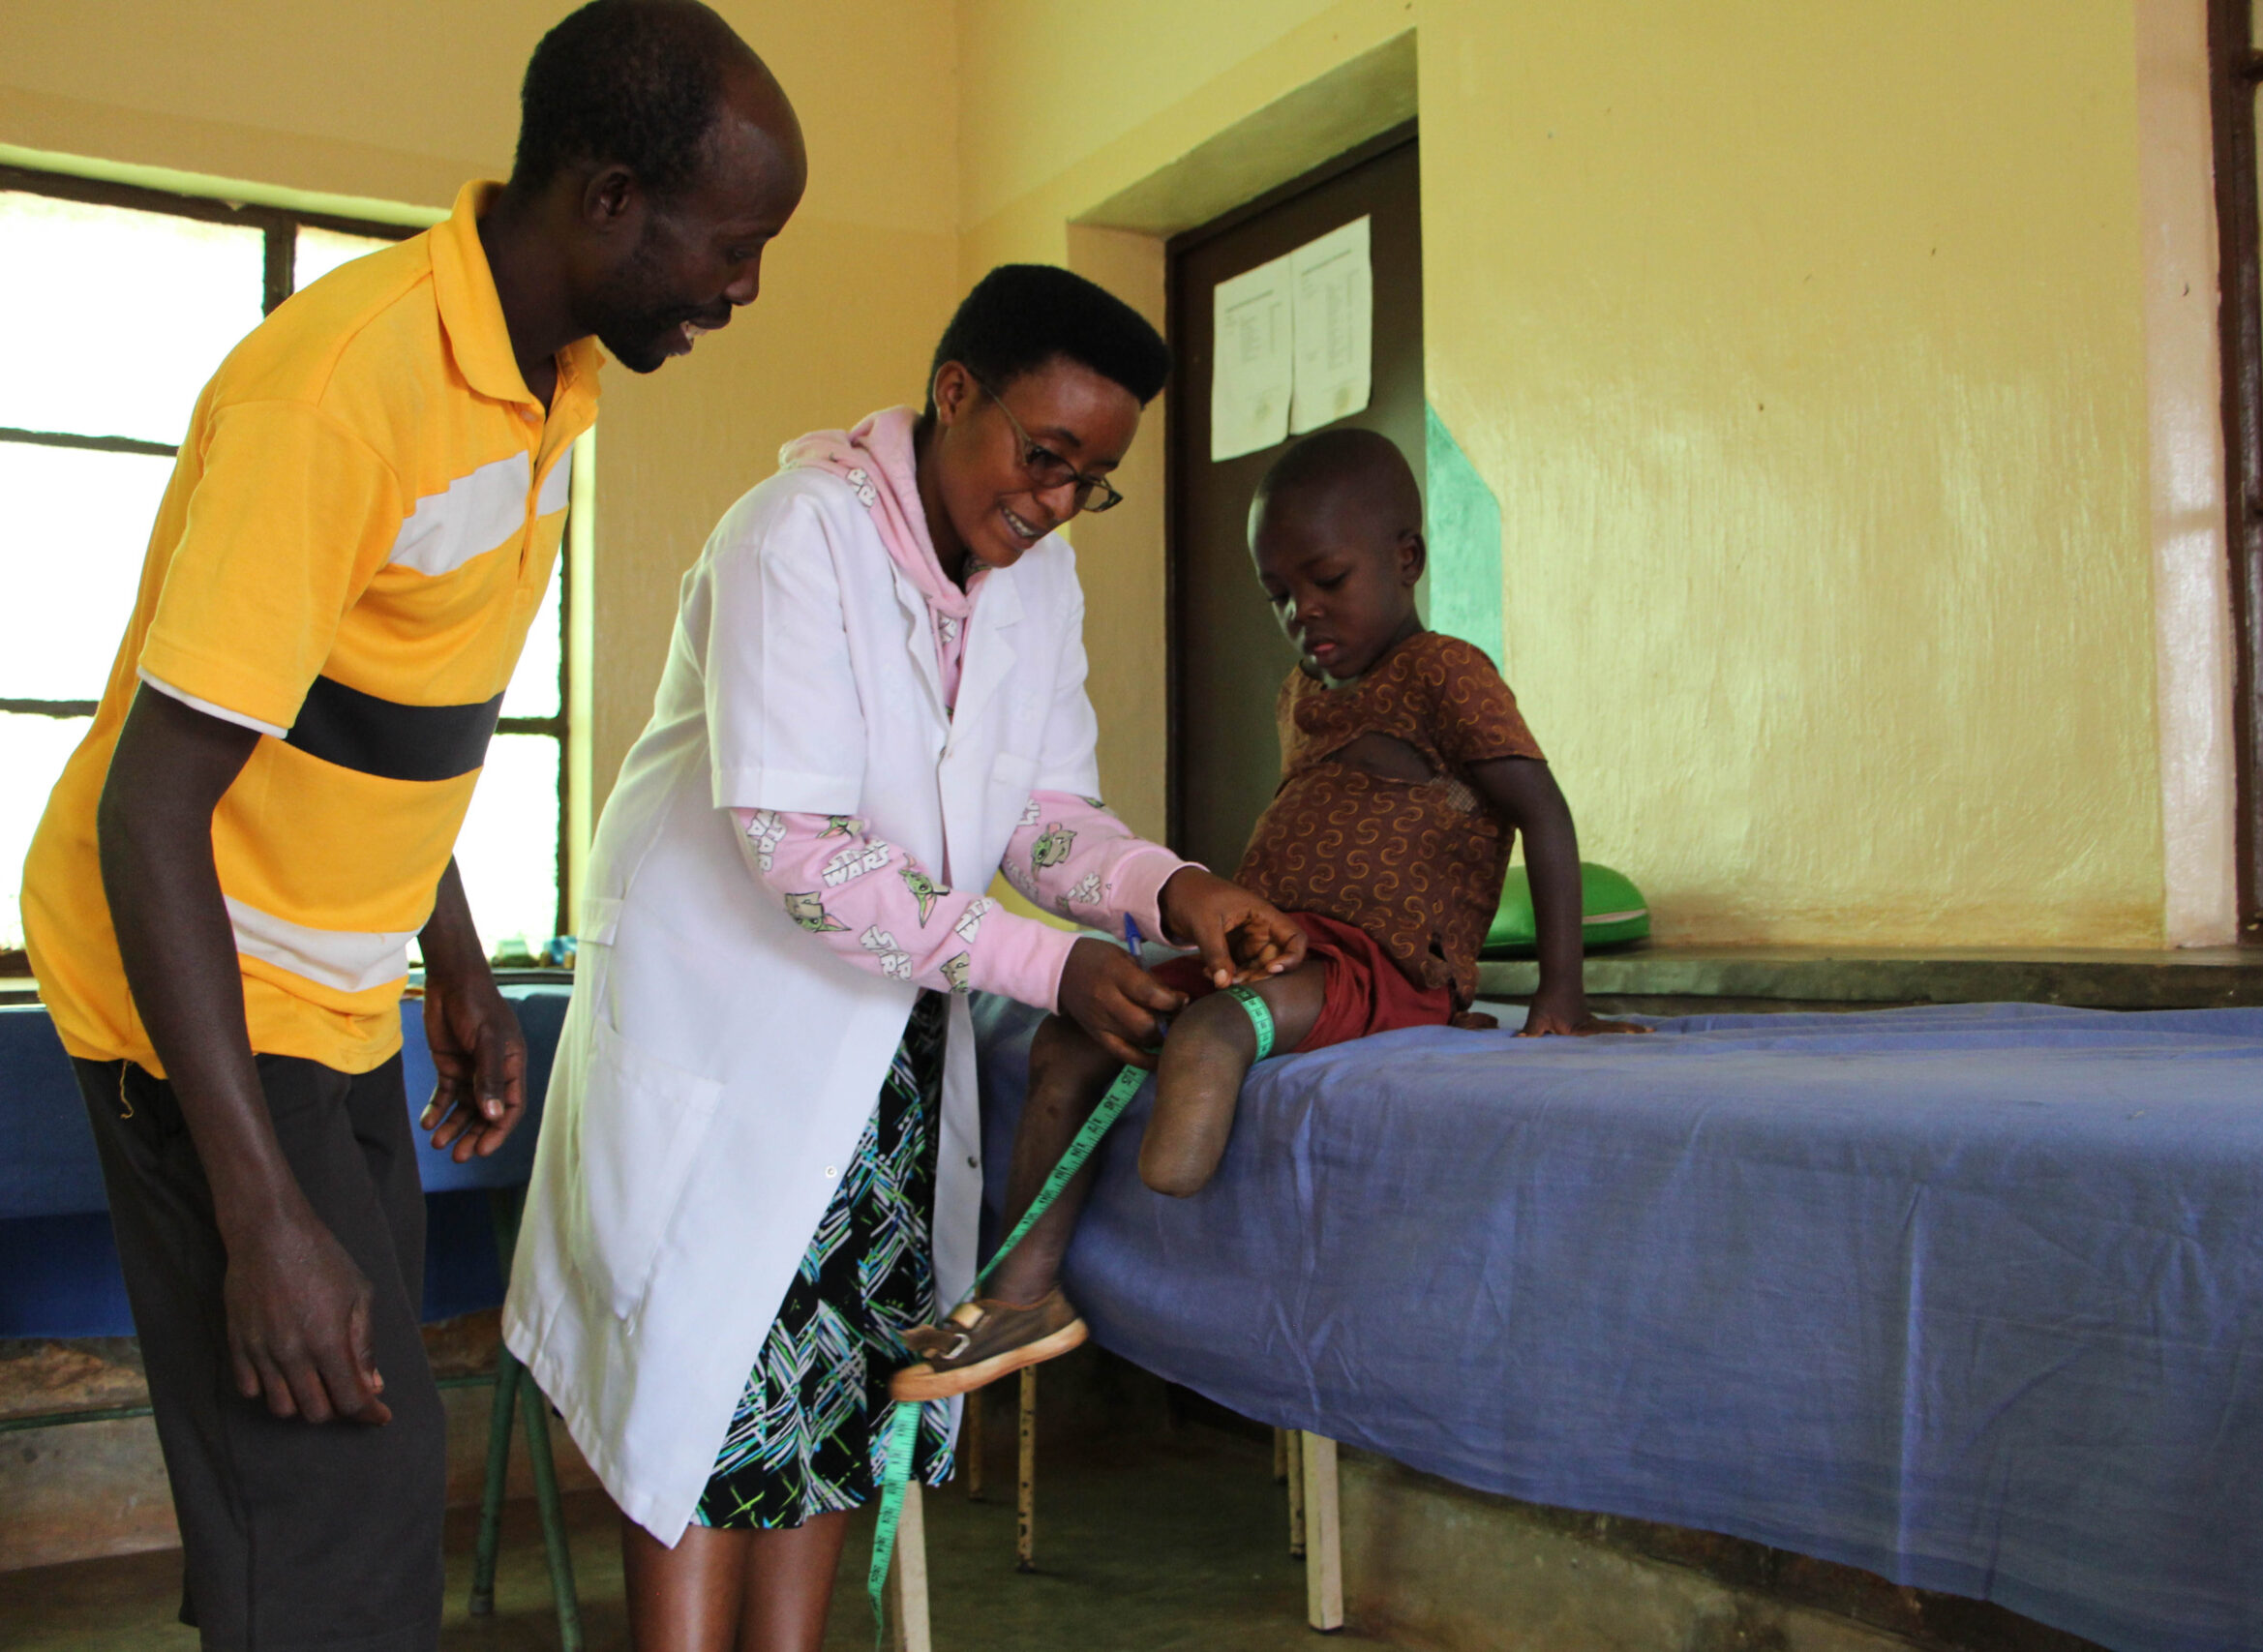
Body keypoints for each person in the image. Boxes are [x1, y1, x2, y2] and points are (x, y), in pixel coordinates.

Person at [15, 4, 804, 1645]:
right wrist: (256, 1208)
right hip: (200, 981)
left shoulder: (550, 384)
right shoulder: (340, 395)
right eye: (730, 247)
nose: (742, 289)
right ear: (606, 200)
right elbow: (155, 803)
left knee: (353, 1478)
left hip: (335, 982)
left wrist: (446, 951)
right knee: (327, 1504)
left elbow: (373, 703)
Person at [501, 261, 1303, 1649]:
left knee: (835, 1394)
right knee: (700, 1408)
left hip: (878, 1054)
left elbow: (1044, 816)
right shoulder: (792, 537)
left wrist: (1172, 889)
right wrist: (1051, 968)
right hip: (726, 1034)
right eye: (1042, 456)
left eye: (1089, 479)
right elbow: (795, 840)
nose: (1055, 502)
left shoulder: (1035, 590)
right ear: (953, 395)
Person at [894, 425, 1644, 1401]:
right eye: (1280, 595)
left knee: (1210, 1033)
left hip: (1383, 969)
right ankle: (1021, 1294)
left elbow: (1542, 813)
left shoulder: (1445, 672)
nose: (1304, 612)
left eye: (1327, 579)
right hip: (1276, 950)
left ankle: (1179, 1184)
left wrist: (1561, 998)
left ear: (1406, 559)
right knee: (1073, 1037)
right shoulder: (1301, 691)